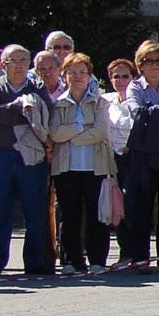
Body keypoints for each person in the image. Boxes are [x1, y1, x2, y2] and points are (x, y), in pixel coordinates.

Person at [48, 53, 116, 275]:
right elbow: (55, 134)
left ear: (89, 76)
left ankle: (97, 260)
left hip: (95, 167)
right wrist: (82, 128)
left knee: (97, 215)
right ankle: (71, 261)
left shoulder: (99, 102)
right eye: (72, 72)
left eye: (82, 72)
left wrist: (72, 134)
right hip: (66, 168)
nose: (77, 77)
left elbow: (101, 132)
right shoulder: (58, 104)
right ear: (65, 75)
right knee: (69, 215)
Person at [0, 45, 53, 276]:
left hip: (31, 157)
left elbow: (48, 111)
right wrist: (20, 110)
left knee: (35, 209)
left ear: (29, 64)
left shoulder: (37, 87)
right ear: (3, 65)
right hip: (1, 154)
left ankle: (35, 261)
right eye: (12, 61)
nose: (18, 65)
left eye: (23, 60)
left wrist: (9, 114)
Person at [123, 41, 159, 273]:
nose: (154, 66)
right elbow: (138, 114)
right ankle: (141, 258)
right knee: (142, 209)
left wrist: (157, 115)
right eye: (148, 61)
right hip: (144, 157)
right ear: (140, 64)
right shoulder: (135, 88)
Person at [101, 59, 136, 263]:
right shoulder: (104, 100)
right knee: (112, 206)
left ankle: (133, 252)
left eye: (125, 76)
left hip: (133, 159)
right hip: (108, 159)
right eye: (116, 76)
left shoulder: (137, 99)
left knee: (129, 204)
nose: (121, 80)